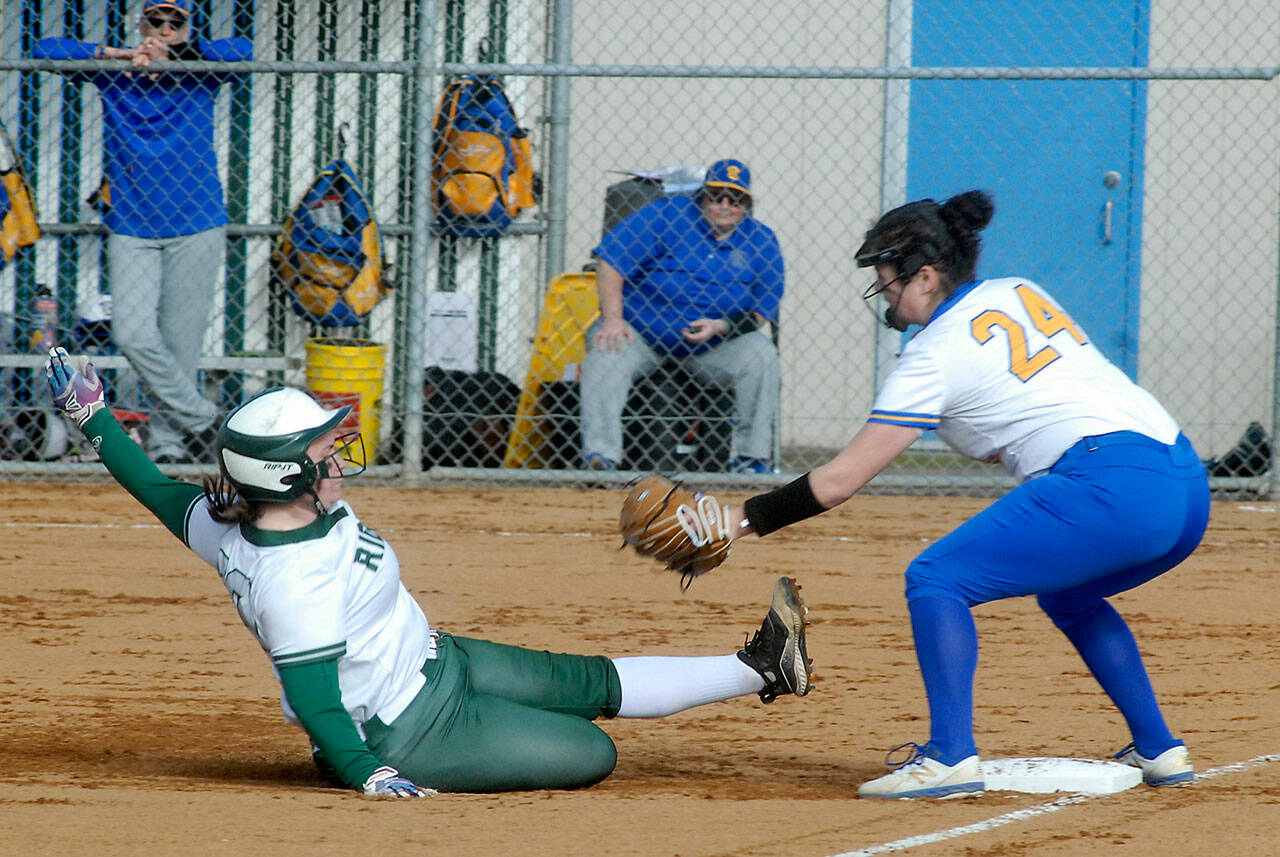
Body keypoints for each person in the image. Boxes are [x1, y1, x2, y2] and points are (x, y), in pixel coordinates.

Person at [45, 346, 813, 796]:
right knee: (592, 752)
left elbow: (151, 486)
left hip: (438, 658)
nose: (336, 454)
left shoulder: (238, 520)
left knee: (588, 681)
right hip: (409, 730)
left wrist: (91, 416)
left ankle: (760, 666)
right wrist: (366, 772)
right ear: (283, 476)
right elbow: (313, 697)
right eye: (321, 450)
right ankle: (376, 757)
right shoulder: (291, 578)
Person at [719, 190, 1207, 798]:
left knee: (937, 578)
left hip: (1111, 484)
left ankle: (949, 756)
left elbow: (840, 480)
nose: (884, 295)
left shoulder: (931, 356)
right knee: (1070, 598)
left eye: (888, 280)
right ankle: (1159, 747)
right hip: (1183, 483)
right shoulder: (1017, 290)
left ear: (926, 276)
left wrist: (738, 520)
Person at [33, 0, 253, 463]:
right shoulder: (116, 76)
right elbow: (46, 48)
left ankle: (169, 446)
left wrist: (182, 56)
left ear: (186, 30)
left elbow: (242, 49)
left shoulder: (198, 75)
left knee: (180, 344)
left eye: (176, 22)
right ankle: (204, 419)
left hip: (196, 222)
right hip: (133, 225)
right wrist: (115, 54)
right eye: (157, 20)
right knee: (132, 333)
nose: (166, 28)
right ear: (142, 26)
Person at [580, 159, 785, 474]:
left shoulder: (762, 241)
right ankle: (600, 458)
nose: (725, 206)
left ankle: (750, 460)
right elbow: (610, 261)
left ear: (746, 204)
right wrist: (613, 320)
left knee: (762, 356)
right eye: (717, 196)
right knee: (605, 351)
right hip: (641, 334)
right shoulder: (666, 215)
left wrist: (720, 326)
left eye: (735, 199)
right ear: (702, 196)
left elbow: (761, 311)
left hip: (713, 346)